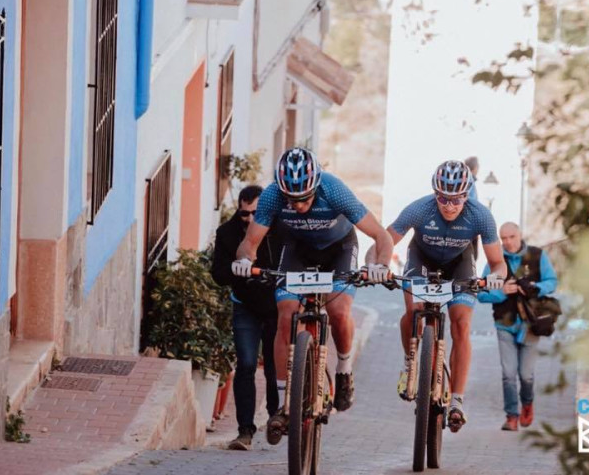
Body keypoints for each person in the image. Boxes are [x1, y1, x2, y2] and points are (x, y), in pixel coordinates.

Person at [232, 147, 393, 445]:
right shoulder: (271, 196)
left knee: (340, 310)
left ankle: (343, 369)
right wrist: (244, 261)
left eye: (305, 197)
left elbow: (381, 236)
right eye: (293, 199)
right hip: (298, 249)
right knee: (286, 313)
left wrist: (381, 265)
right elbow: (249, 243)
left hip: (339, 248)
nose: (300, 204)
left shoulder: (334, 190)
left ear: (316, 185)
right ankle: (283, 402)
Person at [367, 160, 506, 432]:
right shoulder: (420, 209)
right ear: (435, 193)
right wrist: (376, 265)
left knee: (461, 324)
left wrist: (496, 277)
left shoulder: (480, 215)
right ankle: (411, 363)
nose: (450, 205)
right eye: (443, 198)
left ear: (467, 195)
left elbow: (499, 263)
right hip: (422, 261)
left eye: (457, 199)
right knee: (413, 312)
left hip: (459, 265)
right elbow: (383, 242)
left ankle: (456, 400)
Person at [210, 186, 281, 451]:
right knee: (247, 365)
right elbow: (217, 273)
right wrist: (236, 269)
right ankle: (244, 432)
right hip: (245, 307)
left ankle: (277, 417)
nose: (250, 219)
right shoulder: (226, 234)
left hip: (275, 306)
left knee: (275, 366)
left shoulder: (279, 229)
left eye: (255, 213)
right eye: (244, 214)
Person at [478, 222, 558, 431]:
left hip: (531, 325)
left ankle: (528, 404)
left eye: (511, 237)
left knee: (526, 375)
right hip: (504, 323)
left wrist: (534, 287)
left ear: (520, 234)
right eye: (503, 238)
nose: (507, 242)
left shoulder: (537, 255)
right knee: (508, 373)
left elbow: (552, 282)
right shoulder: (495, 261)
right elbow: (481, 293)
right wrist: (502, 291)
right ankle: (511, 416)